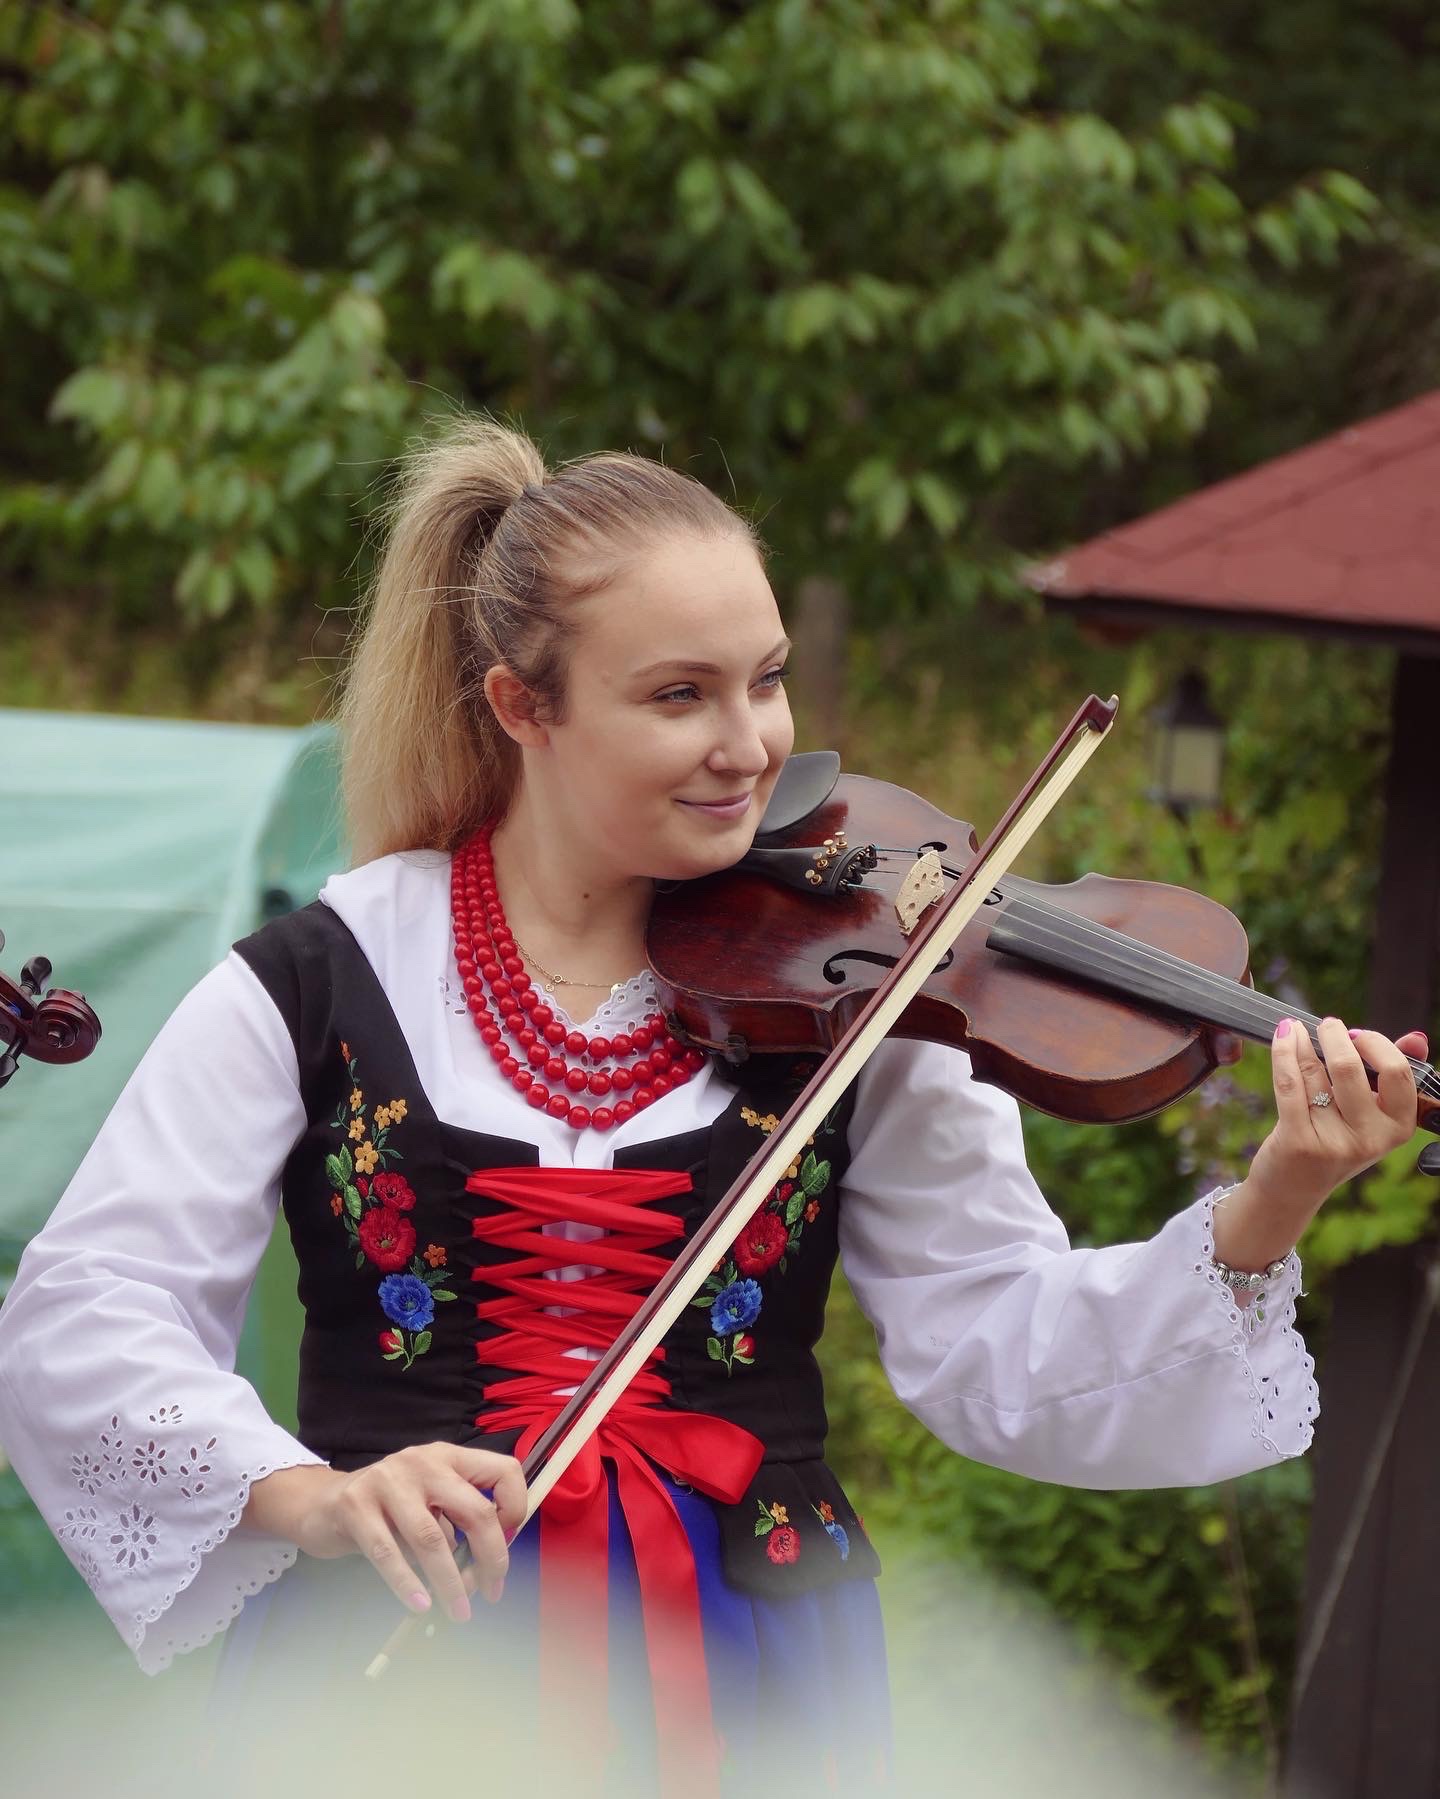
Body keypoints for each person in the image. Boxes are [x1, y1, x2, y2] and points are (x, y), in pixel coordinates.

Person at [0, 417, 1421, 1796]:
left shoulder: (872, 995)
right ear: (522, 706)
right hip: (398, 1660)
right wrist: (313, 1495)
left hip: (754, 1665)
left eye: (768, 679)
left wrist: (1274, 1193)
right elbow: (87, 1308)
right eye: (680, 695)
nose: (751, 744)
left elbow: (1003, 1347)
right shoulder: (325, 972)